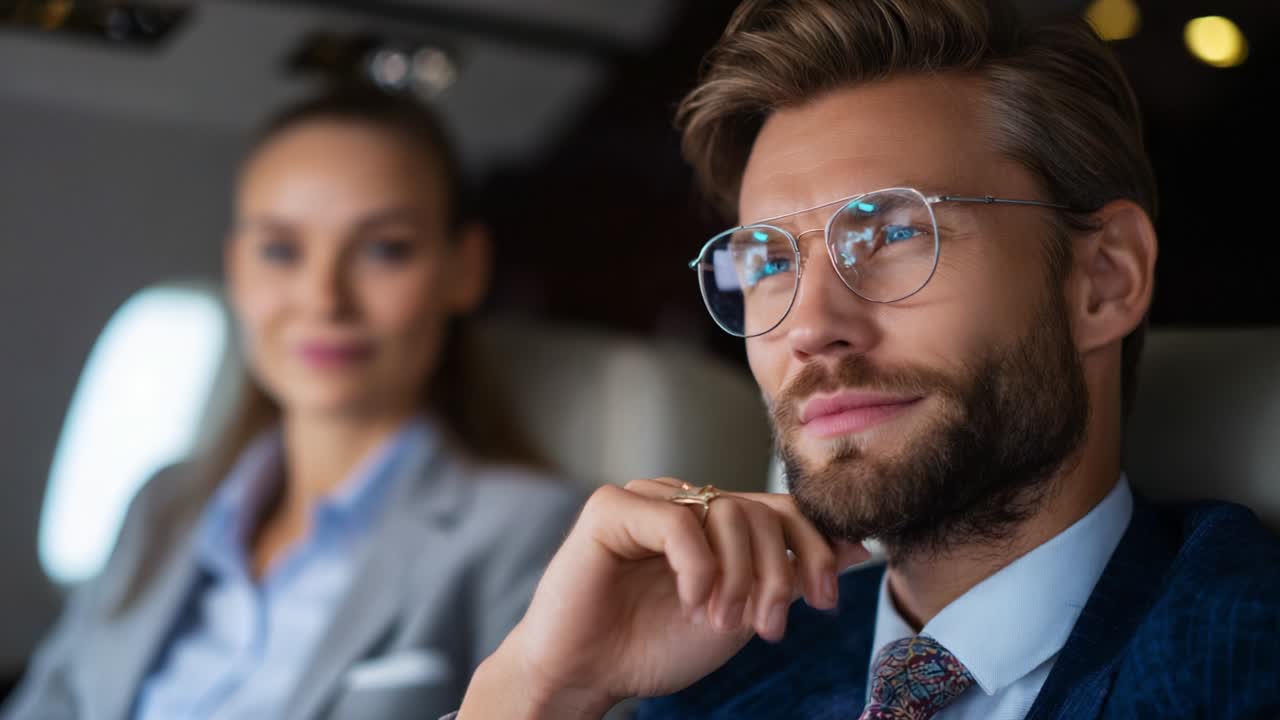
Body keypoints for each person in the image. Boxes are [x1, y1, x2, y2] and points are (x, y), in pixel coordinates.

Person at [448, 1, 1280, 718]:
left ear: (1103, 280)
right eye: (768, 262)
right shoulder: (715, 673)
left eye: (890, 234)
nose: (810, 327)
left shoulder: (1245, 650)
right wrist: (542, 688)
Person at [3, 86, 582, 720]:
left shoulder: (535, 531)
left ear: (463, 269)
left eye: (385, 248)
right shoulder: (162, 506)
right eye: (280, 251)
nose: (323, 298)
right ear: (237, 269)